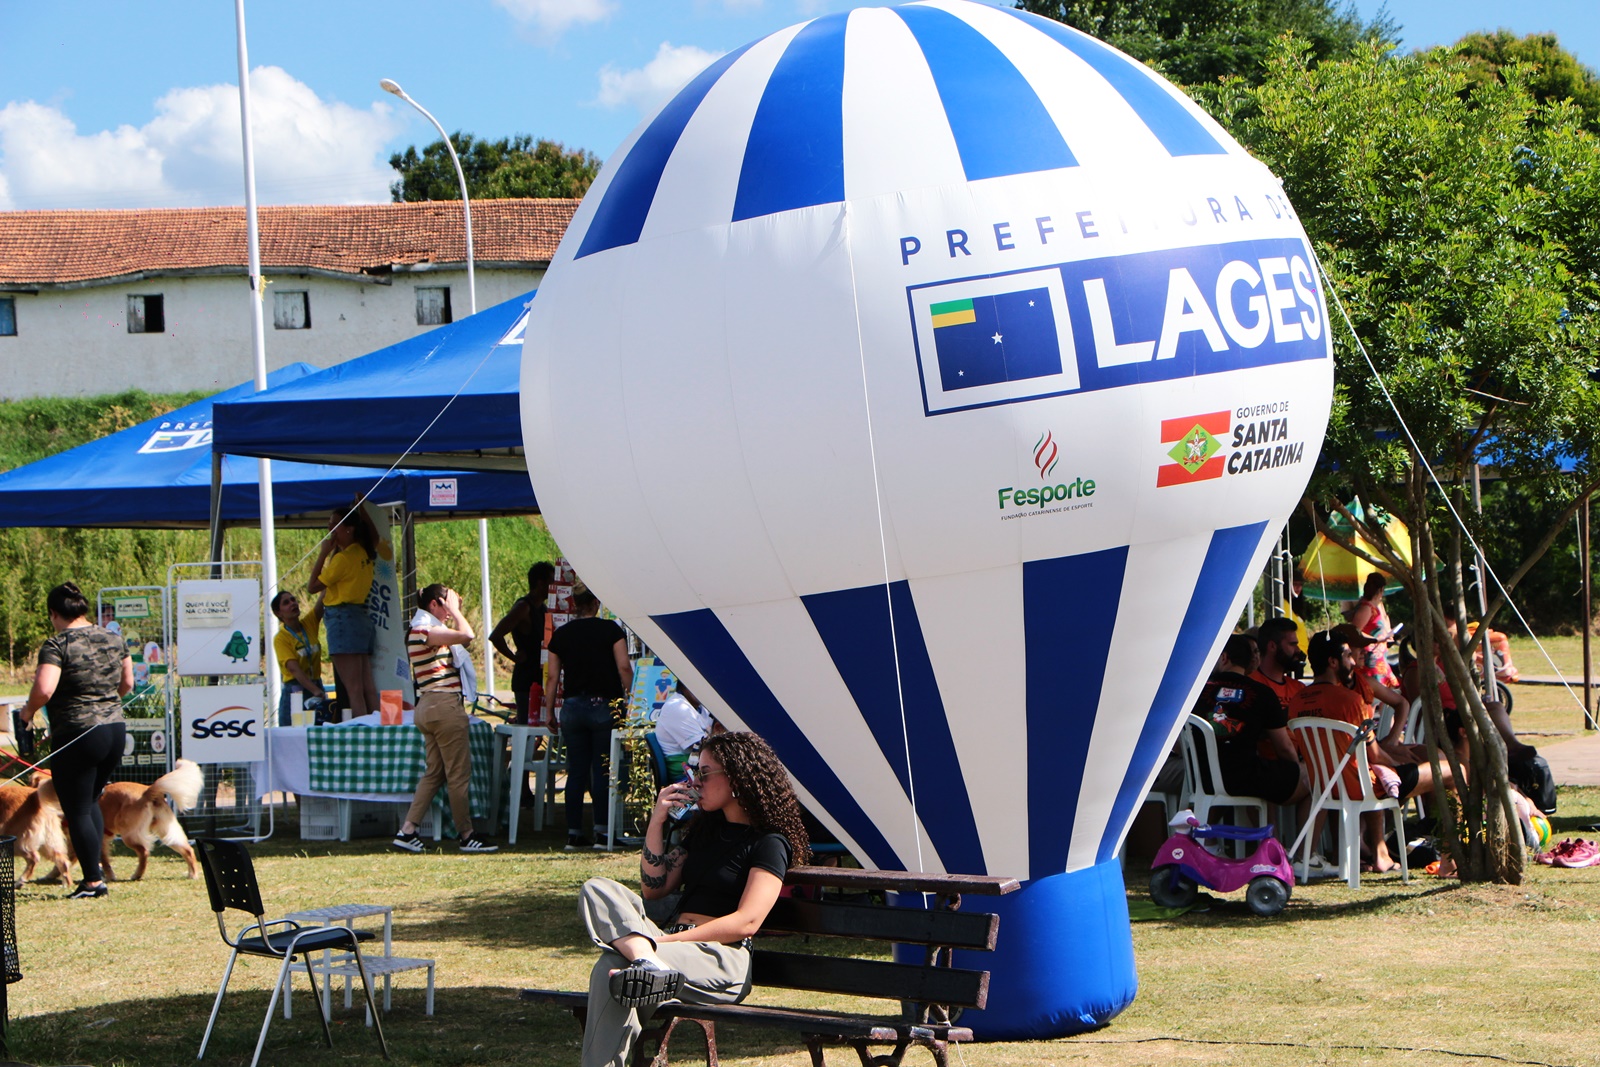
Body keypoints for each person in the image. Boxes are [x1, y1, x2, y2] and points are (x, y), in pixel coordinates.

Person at [576, 731, 811, 1067]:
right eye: (693, 772)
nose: (695, 781)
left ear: (737, 778)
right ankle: (646, 962)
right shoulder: (705, 832)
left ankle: (646, 960)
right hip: (669, 951)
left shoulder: (769, 843)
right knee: (598, 889)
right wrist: (657, 820)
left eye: (704, 772)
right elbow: (654, 888)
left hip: (721, 958)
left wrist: (663, 943)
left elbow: (747, 921)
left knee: (612, 966)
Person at [1290, 630, 1450, 872]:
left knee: (1381, 769)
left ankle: (1380, 853)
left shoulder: (1297, 701)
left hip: (1323, 787)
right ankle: (1451, 858)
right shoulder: (1350, 701)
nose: (1354, 661)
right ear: (1333, 662)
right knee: (1454, 771)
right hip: (1362, 786)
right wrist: (1402, 765)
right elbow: (1375, 755)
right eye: (1348, 655)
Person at [20, 582, 131, 899]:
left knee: (77, 808)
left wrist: (27, 712)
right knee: (91, 799)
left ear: (54, 613)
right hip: (114, 730)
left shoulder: (57, 644)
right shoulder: (113, 637)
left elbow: (44, 689)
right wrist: (104, 704)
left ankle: (93, 882)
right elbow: (127, 682)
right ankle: (95, 874)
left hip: (77, 732)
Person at [392, 584, 498, 855]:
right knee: (458, 775)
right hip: (443, 706)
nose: (451, 610)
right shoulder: (424, 630)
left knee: (435, 773)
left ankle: (408, 830)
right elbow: (467, 635)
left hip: (429, 706)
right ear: (433, 605)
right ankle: (466, 835)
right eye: (446, 603)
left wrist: (451, 607)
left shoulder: (421, 629)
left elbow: (461, 639)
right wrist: (456, 611)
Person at [545, 584, 632, 850]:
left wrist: (549, 711)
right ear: (596, 603)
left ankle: (573, 833)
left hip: (572, 707)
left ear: (573, 604)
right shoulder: (611, 630)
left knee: (576, 771)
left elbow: (552, 677)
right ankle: (602, 831)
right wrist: (631, 698)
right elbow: (624, 667)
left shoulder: (561, 635)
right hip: (604, 705)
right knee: (603, 769)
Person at [1194, 634, 1308, 813]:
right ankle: (1281, 832)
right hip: (1245, 778)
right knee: (1312, 776)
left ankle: (1206, 829)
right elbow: (1284, 748)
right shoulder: (1263, 693)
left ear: (1224, 657)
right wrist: (1294, 770)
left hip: (1200, 777)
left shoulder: (1195, 693)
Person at [308, 506, 379, 718]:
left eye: (335, 524)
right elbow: (374, 537)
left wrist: (323, 553)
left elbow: (312, 586)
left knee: (354, 689)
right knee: (367, 686)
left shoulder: (343, 558)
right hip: (360, 617)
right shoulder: (363, 551)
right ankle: (378, 728)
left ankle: (362, 731)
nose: (330, 528)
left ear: (349, 529)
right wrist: (362, 507)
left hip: (341, 618)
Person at [490, 562, 556, 724]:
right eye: (551, 582)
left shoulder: (543, 609)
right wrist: (513, 657)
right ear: (540, 583)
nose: (554, 587)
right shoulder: (523, 607)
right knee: (526, 725)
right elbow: (496, 635)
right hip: (526, 680)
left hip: (541, 677)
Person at [269, 589, 326, 726]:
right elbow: (294, 669)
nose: (292, 604)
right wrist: (315, 690)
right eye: (286, 603)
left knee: (318, 732)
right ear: (278, 613)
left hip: (316, 684)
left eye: (293, 599)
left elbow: (322, 600)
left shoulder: (309, 624)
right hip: (296, 691)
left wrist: (327, 581)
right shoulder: (281, 638)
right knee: (293, 733)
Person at [1348, 572, 1399, 689]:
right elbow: (1354, 632)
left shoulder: (1375, 607)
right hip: (1370, 658)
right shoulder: (1366, 608)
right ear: (1381, 590)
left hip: (1378, 657)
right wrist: (1376, 640)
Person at [653, 680, 712, 782]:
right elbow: (704, 747)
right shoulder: (677, 707)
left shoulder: (701, 707)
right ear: (684, 685)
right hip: (686, 774)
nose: (702, 690)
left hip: (701, 767)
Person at [1251, 616, 1306, 708]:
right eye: (1292, 644)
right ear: (1272, 646)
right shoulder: (1250, 686)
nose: (1298, 650)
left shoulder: (1299, 689)